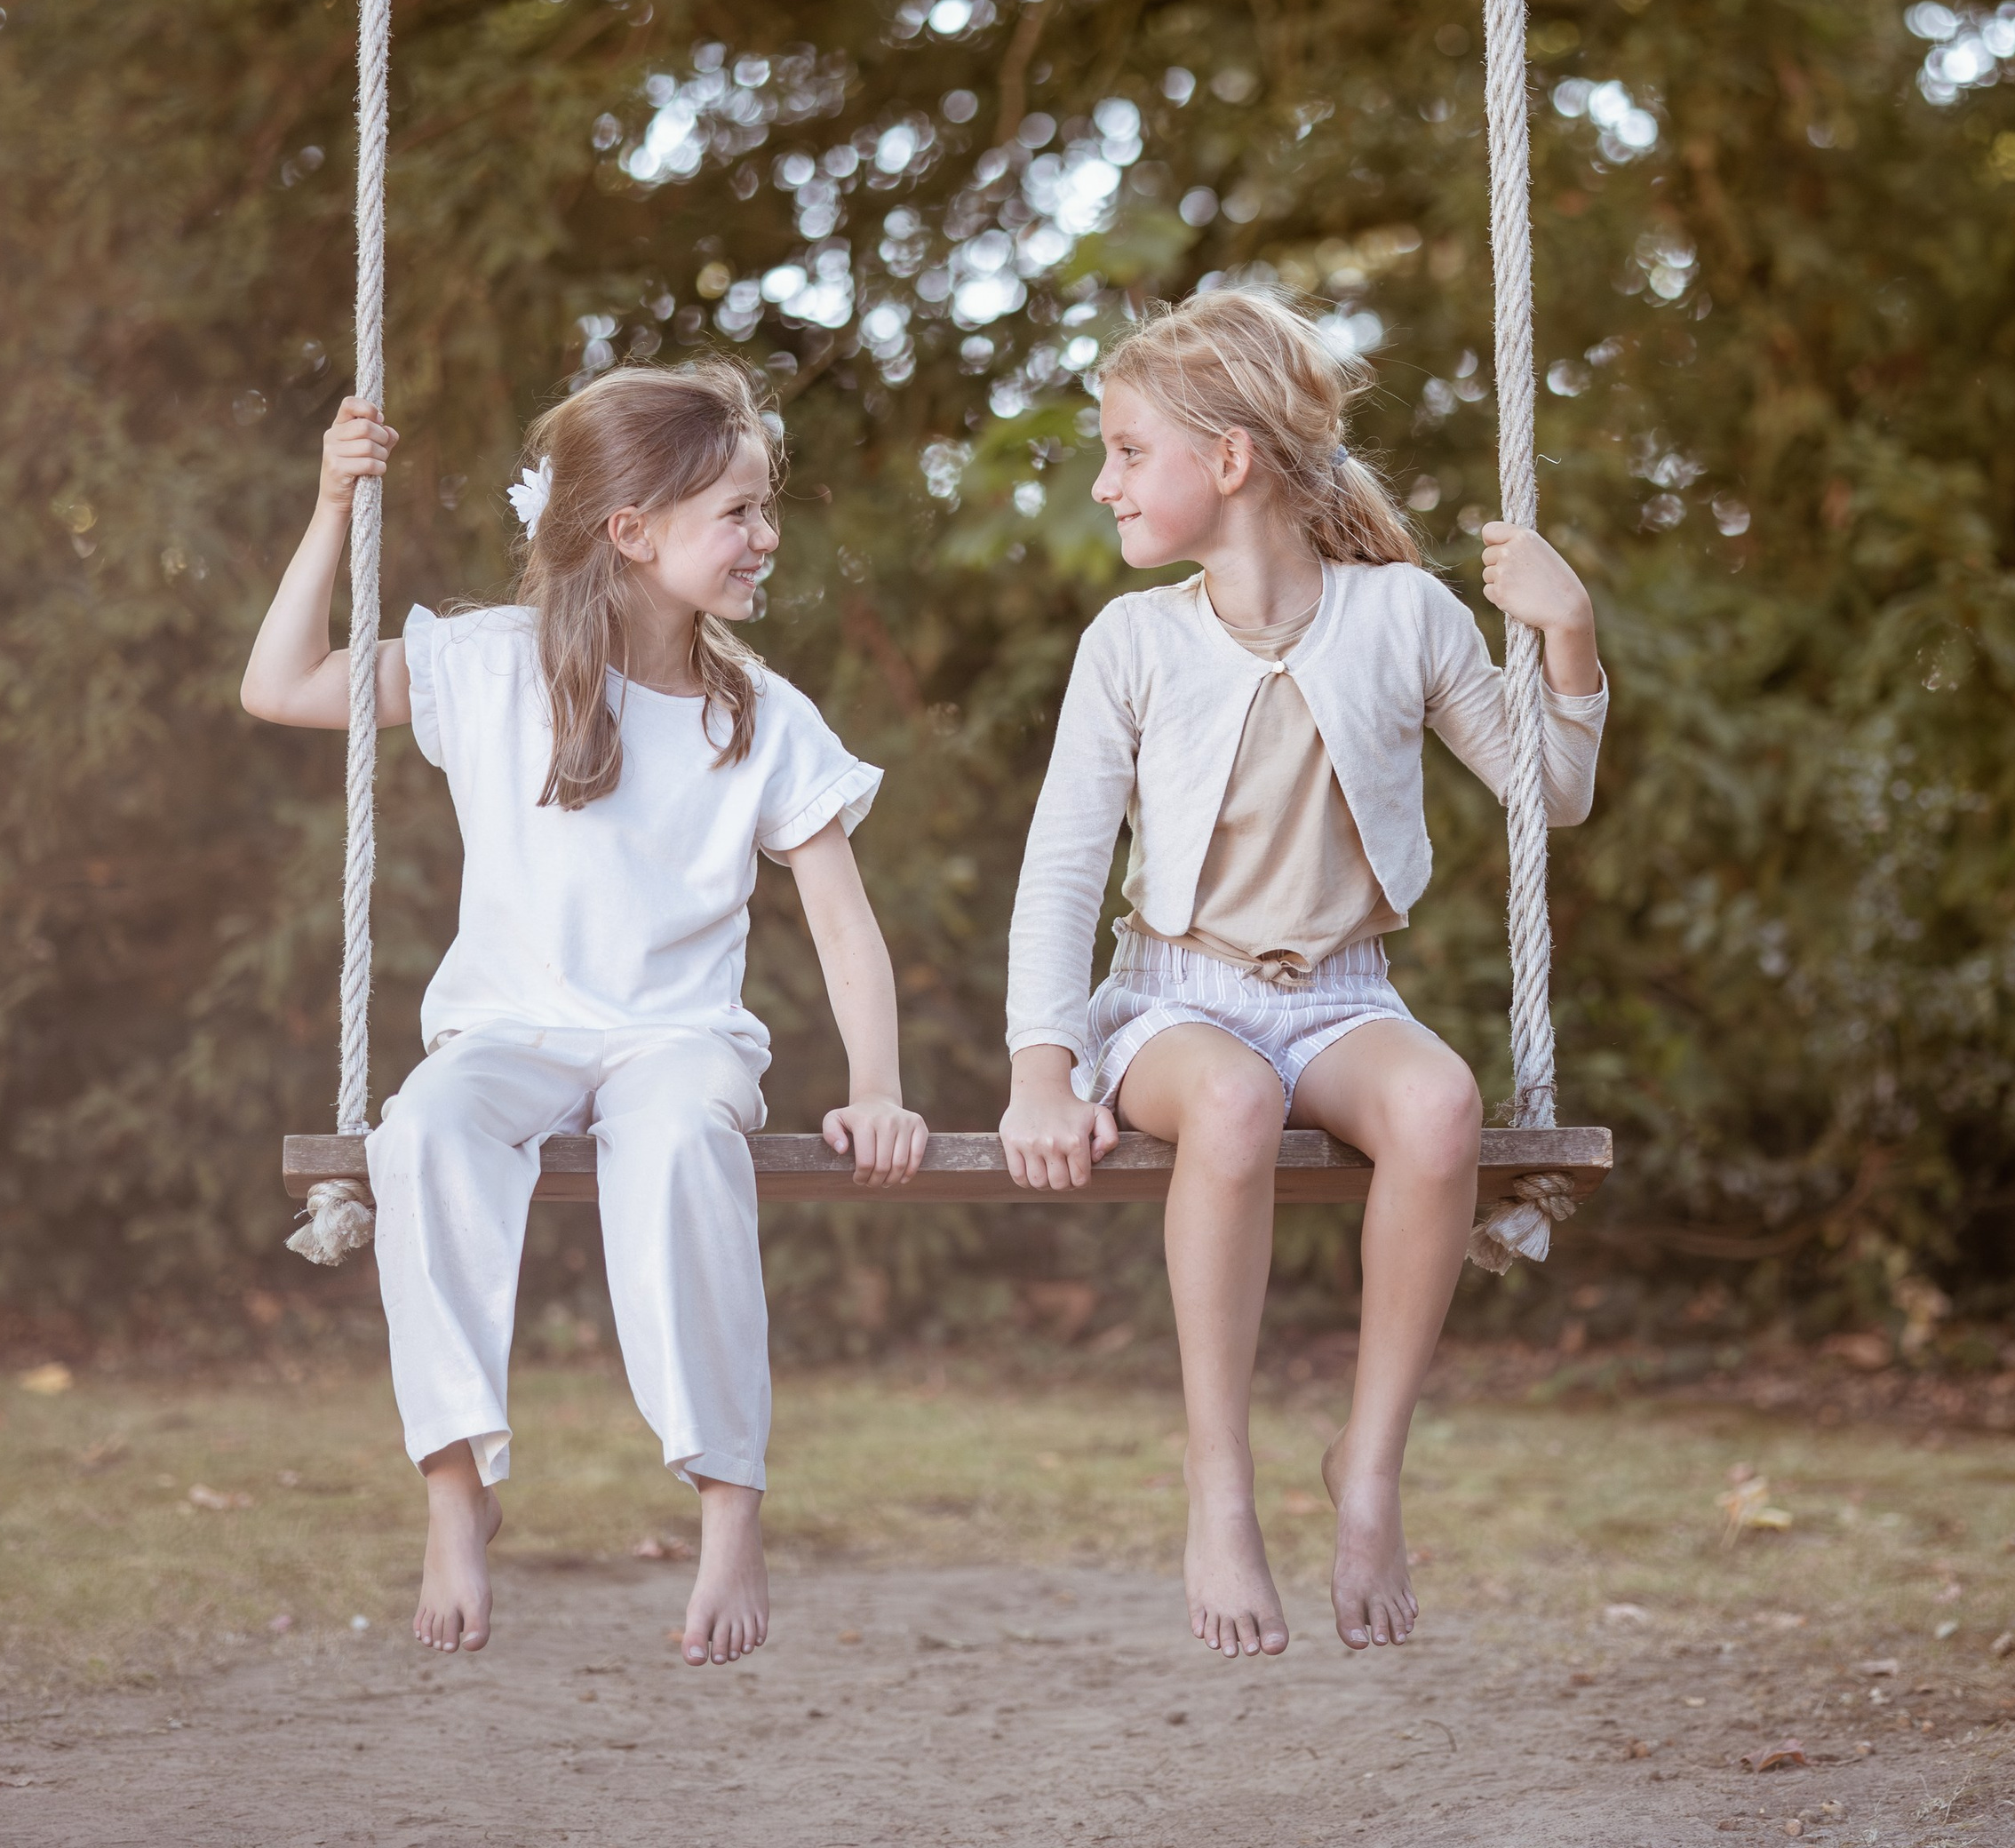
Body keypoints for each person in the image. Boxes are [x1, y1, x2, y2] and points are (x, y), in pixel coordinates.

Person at [242, 359, 923, 1665]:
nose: (766, 535)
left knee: (674, 1144)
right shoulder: (493, 667)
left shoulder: (761, 718)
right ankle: (457, 1488)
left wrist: (877, 1085)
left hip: (678, 1042)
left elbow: (843, 920)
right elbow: (283, 684)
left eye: (764, 507)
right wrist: (334, 506)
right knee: (425, 1133)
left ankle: (731, 1502)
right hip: (509, 1033)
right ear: (633, 532)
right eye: (738, 510)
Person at [998, 289, 1605, 1660]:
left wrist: (1565, 632)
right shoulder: (1133, 643)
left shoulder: (1405, 617)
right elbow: (1062, 873)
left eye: (1124, 449)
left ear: (1228, 461)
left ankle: (1370, 1469)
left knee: (1444, 1107)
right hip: (1171, 999)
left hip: (1343, 996)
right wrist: (1045, 1068)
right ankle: (1220, 1485)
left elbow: (1550, 794)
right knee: (1229, 1107)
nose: (1104, 481)